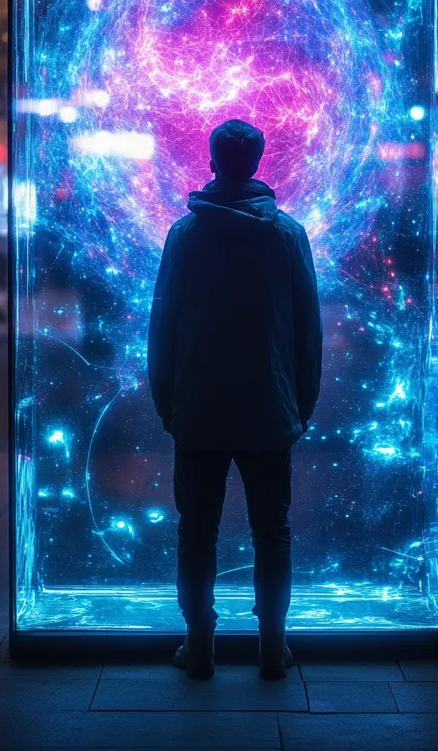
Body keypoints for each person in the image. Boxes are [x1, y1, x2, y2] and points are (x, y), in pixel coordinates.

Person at [148, 119, 323, 680]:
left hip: (198, 408)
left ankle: (199, 645)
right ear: (258, 161)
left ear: (212, 161)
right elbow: (307, 330)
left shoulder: (185, 235)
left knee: (196, 530)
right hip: (270, 408)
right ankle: (273, 647)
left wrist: (166, 402)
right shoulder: (288, 234)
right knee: (272, 531)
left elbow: (162, 326)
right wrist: (300, 404)